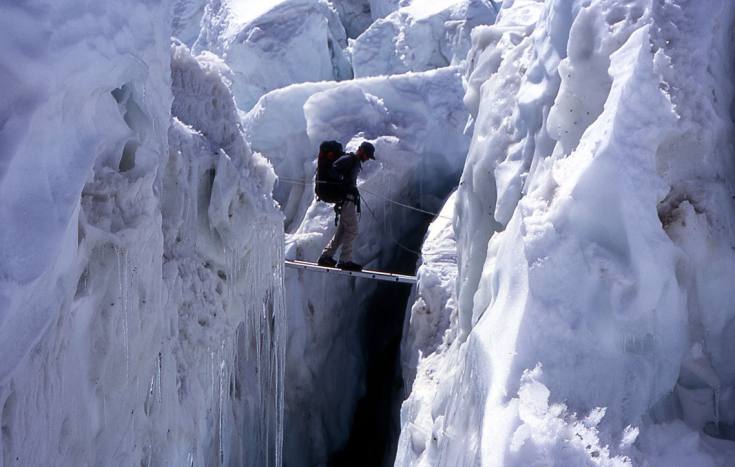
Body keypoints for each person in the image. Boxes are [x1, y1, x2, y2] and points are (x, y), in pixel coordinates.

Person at [318, 141, 376, 271]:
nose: (367, 159)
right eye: (367, 155)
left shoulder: (353, 162)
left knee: (342, 231)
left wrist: (351, 187)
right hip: (345, 199)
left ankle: (326, 256)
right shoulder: (348, 159)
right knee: (353, 229)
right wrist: (344, 184)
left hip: (347, 199)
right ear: (361, 151)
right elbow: (333, 171)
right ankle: (345, 261)